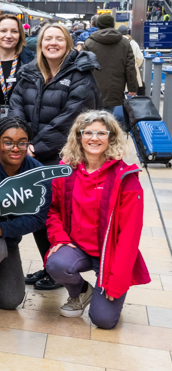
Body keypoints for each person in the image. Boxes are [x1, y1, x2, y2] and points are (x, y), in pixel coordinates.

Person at [9, 23, 101, 289]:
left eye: (59, 39)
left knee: (58, 215)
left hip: (64, 157)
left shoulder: (81, 73)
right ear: (39, 44)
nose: (52, 43)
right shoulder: (28, 72)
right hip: (30, 153)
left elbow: (74, 116)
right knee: (40, 214)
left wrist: (34, 146)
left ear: (68, 43)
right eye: (47, 38)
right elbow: (16, 107)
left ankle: (62, 269)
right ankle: (49, 265)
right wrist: (21, 141)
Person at [44, 111, 148, 328]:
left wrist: (117, 281)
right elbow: (52, 210)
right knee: (56, 264)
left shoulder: (125, 178)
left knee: (103, 321)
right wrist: (60, 238)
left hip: (109, 256)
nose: (94, 138)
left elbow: (129, 236)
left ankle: (104, 290)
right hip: (78, 248)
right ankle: (80, 292)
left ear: (111, 137)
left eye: (101, 133)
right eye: (88, 132)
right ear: (79, 137)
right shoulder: (66, 170)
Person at [0, 117, 48, 312]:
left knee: (10, 300)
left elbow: (39, 218)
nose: (16, 148)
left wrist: (1, 229)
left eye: (22, 142)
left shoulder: (37, 172)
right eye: (8, 142)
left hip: (8, 237)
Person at [0, 14, 36, 134]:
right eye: (3, 31)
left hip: (21, 131)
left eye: (14, 31)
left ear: (20, 35)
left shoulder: (32, 64)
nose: (8, 36)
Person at [83, 12, 138, 122]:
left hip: (94, 88)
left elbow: (83, 66)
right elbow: (130, 67)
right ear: (113, 25)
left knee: (95, 120)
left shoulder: (89, 42)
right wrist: (132, 87)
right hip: (116, 89)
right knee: (111, 119)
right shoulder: (125, 43)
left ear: (98, 26)